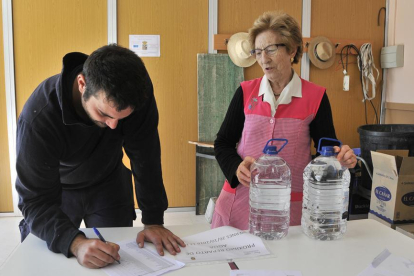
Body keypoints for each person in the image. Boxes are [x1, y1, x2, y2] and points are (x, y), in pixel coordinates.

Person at [16, 44, 185, 268]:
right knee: (49, 262)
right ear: (82, 84)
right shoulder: (39, 116)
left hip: (108, 181)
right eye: (104, 114)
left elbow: (146, 156)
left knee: (117, 260)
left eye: (121, 118)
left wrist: (153, 220)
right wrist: (74, 243)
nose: (114, 126)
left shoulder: (137, 93)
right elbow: (34, 200)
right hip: (57, 188)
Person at [211, 12, 357, 230]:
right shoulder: (245, 92)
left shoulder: (315, 97)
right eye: (258, 52)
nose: (263, 59)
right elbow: (222, 143)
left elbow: (326, 149)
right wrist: (236, 167)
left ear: (292, 49)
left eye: (271, 49)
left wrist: (341, 158)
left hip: (289, 209)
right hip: (240, 203)